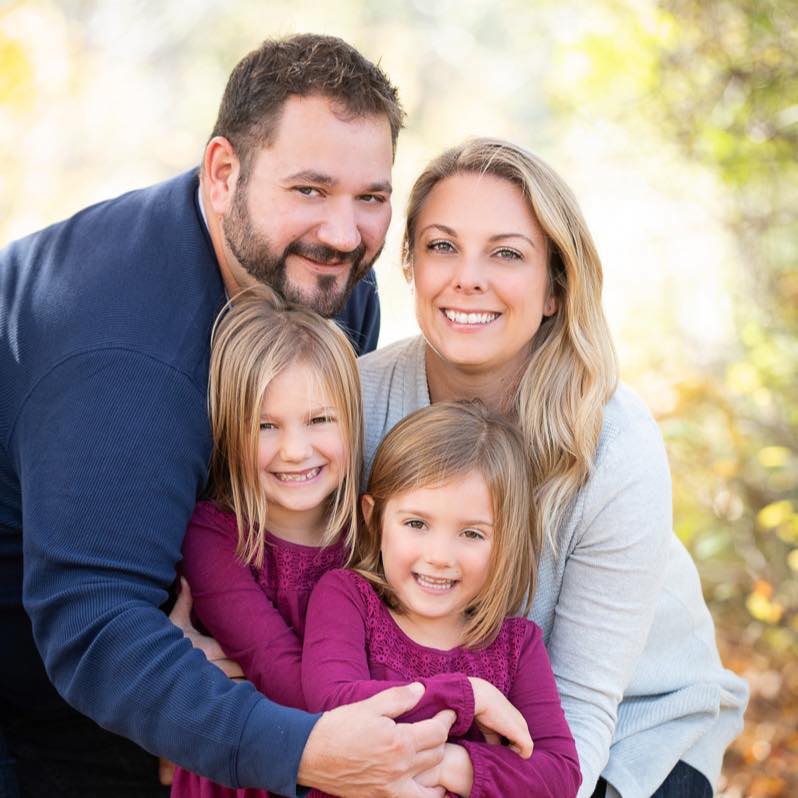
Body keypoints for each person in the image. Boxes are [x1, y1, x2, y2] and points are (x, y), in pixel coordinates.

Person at [0, 33, 454, 798]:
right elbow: (97, 624)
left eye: (370, 197)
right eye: (309, 190)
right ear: (222, 174)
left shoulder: (318, 282)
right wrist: (302, 749)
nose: (344, 234)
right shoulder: (129, 356)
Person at [358, 138, 749, 797]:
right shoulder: (359, 401)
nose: (467, 278)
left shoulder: (613, 442)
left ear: (552, 289)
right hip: (444, 720)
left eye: (506, 253)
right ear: (410, 265)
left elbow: (583, 706)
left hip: (625, 726)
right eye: (442, 246)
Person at [303, 401, 582, 798]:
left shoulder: (516, 647)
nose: (438, 556)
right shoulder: (348, 599)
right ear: (374, 517)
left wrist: (452, 764)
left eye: (471, 534)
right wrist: (468, 697)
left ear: (506, 543)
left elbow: (559, 775)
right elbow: (334, 702)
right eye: (416, 523)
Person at [170, 286, 364, 798]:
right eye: (266, 426)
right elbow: (277, 671)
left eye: (319, 420)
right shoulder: (216, 537)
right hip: (251, 773)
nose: (295, 451)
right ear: (231, 432)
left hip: (358, 766)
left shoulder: (371, 529)